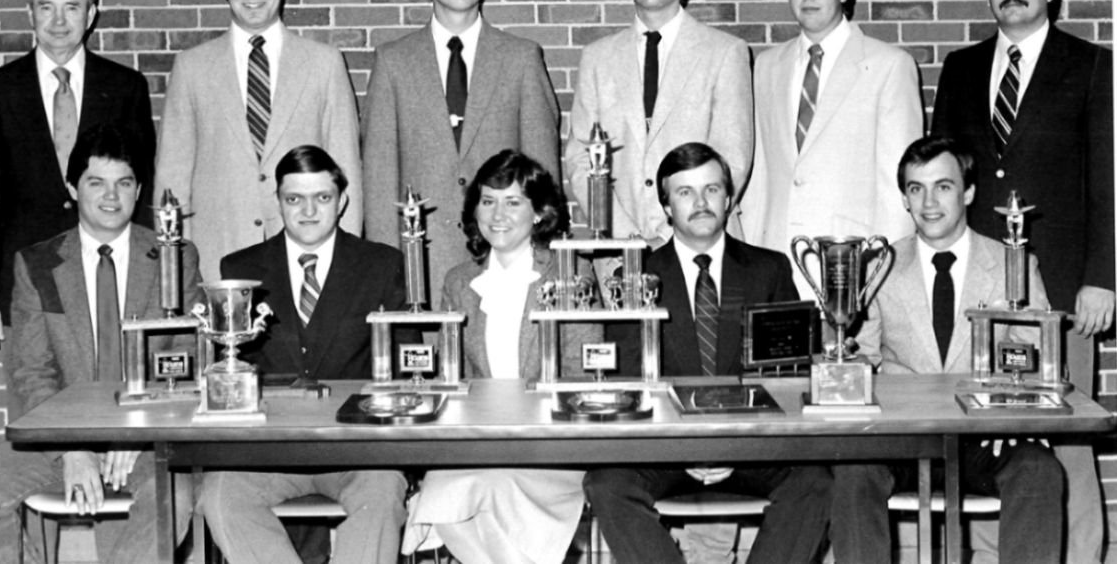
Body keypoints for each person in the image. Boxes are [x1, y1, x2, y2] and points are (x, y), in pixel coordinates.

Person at [931, 0, 1111, 564]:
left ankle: (1084, 557)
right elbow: (942, 176)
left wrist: (1103, 276)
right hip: (977, 289)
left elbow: (1107, 180)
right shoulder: (960, 67)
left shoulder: (1092, 66)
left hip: (1062, 290)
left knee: (1063, 440)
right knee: (984, 438)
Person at [584, 143, 832, 564]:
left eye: (711, 189)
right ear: (666, 206)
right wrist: (687, 446)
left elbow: (790, 377)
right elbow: (629, 380)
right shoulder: (636, 276)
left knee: (818, 482)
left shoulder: (769, 269)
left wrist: (731, 446)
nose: (700, 203)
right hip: (668, 452)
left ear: (729, 198)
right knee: (606, 484)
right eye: (685, 193)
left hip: (749, 448)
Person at [829, 137, 1064, 564]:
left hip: (984, 436)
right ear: (903, 197)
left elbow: (1037, 359)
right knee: (851, 469)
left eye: (943, 186)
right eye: (916, 188)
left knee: (1040, 468)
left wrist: (1017, 414)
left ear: (969, 192)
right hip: (899, 438)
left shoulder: (1012, 263)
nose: (929, 202)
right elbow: (861, 357)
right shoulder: (878, 267)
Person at [0, 124, 199, 564]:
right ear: (72, 187)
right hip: (61, 437)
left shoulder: (173, 257)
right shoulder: (37, 264)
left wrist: (139, 433)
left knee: (171, 497)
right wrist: (71, 446)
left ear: (139, 191)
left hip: (148, 438)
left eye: (124, 184)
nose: (111, 197)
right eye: (96, 182)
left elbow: (186, 362)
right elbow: (30, 371)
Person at [201, 145, 410, 564]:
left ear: (343, 201)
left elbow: (407, 366)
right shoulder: (240, 269)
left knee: (385, 495)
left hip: (359, 452)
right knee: (220, 494)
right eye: (294, 198)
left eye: (323, 197)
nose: (309, 210)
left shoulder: (382, 264)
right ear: (277, 202)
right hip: (266, 453)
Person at [403, 149, 601, 564]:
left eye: (513, 202)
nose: (498, 214)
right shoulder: (458, 281)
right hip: (477, 445)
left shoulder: (572, 274)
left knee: (484, 494)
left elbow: (584, 373)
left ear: (540, 213)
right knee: (448, 495)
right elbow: (448, 377)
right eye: (488, 200)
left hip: (551, 446)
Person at [362, 0, 560, 308]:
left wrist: (540, 258)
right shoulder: (393, 62)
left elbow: (542, 175)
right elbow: (379, 178)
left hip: (506, 258)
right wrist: (389, 270)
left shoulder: (521, 58)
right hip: (421, 264)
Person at [155, 0, 362, 281]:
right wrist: (177, 270)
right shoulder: (191, 67)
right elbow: (172, 179)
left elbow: (346, 173)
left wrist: (346, 265)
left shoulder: (325, 63)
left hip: (308, 258)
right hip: (217, 257)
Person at [0, 0, 155, 359]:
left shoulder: (125, 87)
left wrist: (149, 282)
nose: (58, 20)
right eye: (46, 7)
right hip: (26, 283)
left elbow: (139, 187)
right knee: (33, 404)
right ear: (30, 13)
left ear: (91, 13)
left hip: (112, 276)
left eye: (72, 7)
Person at [741, 0, 923, 296]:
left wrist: (879, 284)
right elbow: (757, 177)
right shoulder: (765, 66)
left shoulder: (889, 66)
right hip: (772, 267)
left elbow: (898, 190)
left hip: (849, 270)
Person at [566, 0, 752, 244]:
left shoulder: (725, 53)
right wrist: (628, 236)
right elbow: (581, 157)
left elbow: (731, 160)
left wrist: (677, 237)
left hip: (700, 246)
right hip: (621, 250)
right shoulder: (597, 58)